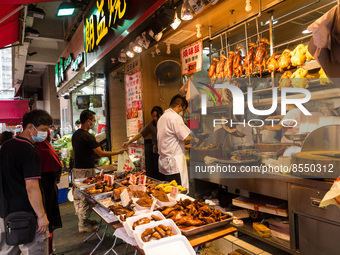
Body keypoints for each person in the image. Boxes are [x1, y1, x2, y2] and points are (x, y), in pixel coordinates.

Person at [0, 109, 51, 255]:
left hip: (6, 214)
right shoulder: (29, 151)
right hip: (27, 217)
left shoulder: (7, 146)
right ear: (30, 128)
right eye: (43, 129)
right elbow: (31, 187)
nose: (46, 133)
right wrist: (41, 216)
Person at [72, 110, 126, 233]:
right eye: (93, 121)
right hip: (85, 171)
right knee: (85, 198)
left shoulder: (76, 134)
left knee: (81, 197)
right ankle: (83, 224)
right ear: (88, 121)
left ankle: (85, 220)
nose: (94, 123)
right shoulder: (88, 136)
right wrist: (118, 152)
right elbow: (101, 153)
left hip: (77, 170)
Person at [35, 131, 62, 255]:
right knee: (47, 222)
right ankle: (48, 251)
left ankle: (48, 250)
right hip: (45, 191)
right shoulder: (43, 148)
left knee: (46, 224)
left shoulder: (35, 146)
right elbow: (55, 170)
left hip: (43, 190)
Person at [157, 95, 191, 189]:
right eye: (183, 109)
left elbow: (170, 139)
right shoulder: (175, 118)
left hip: (164, 163)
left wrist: (186, 146)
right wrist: (197, 137)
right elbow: (186, 138)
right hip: (174, 165)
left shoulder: (162, 117)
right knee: (177, 193)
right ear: (179, 106)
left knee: (167, 193)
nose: (182, 112)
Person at [123, 106, 163, 179]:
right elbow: (140, 134)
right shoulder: (150, 125)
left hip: (166, 152)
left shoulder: (165, 123)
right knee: (158, 173)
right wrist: (129, 142)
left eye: (157, 116)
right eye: (153, 116)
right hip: (156, 152)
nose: (155, 118)